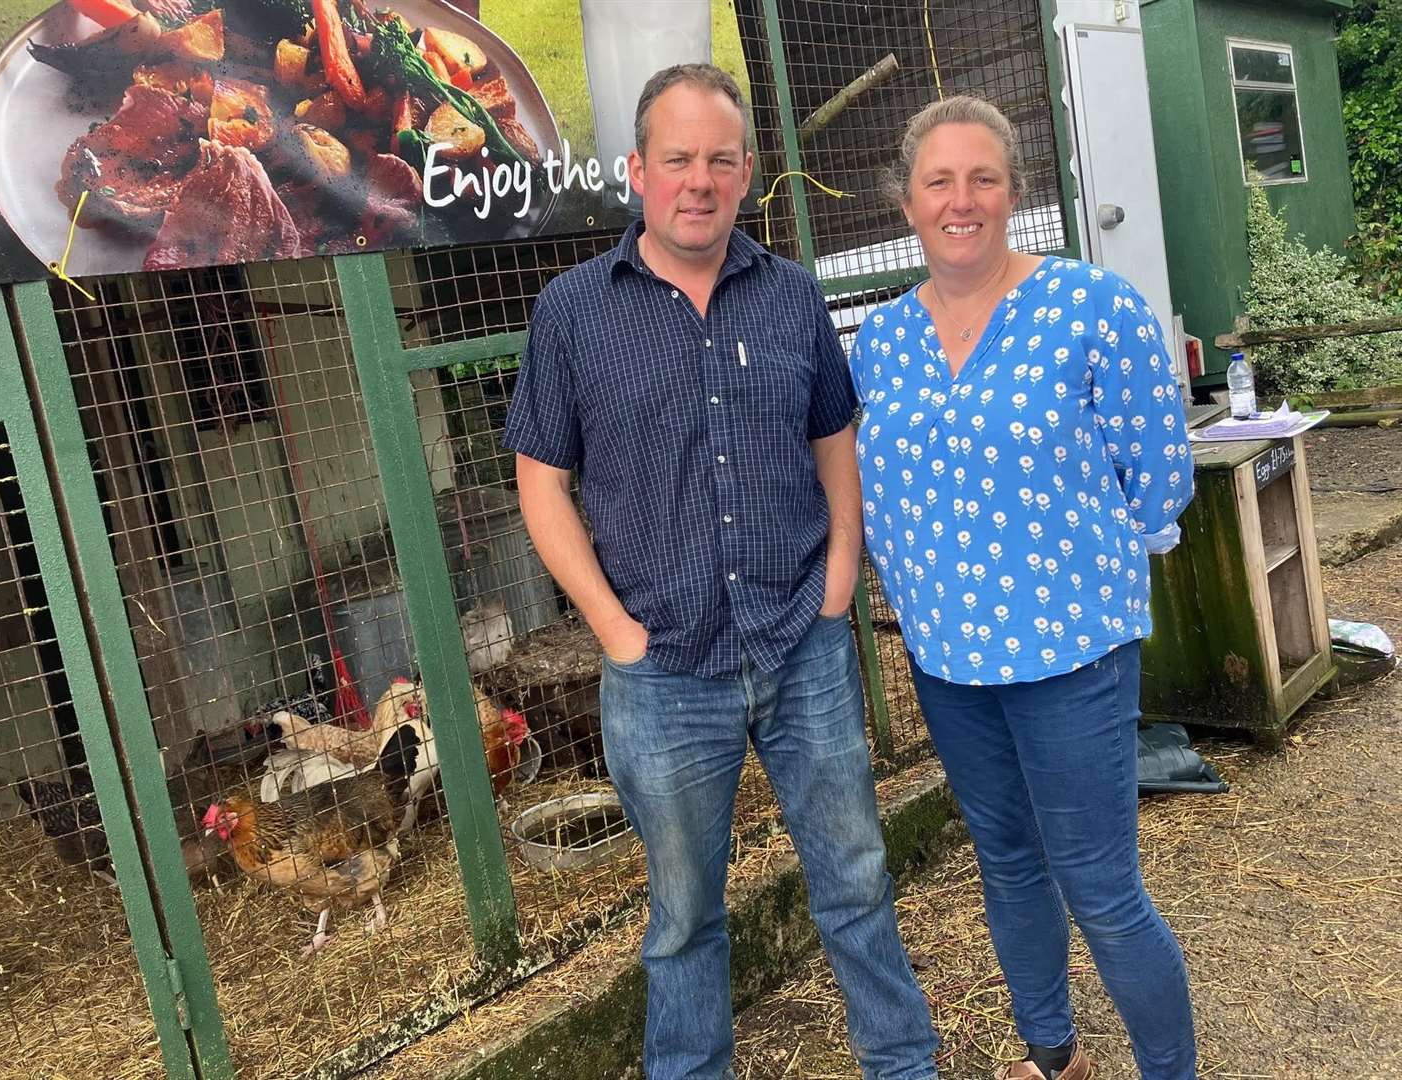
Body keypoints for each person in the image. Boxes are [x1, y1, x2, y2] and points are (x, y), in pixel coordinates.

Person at [505, 64, 939, 1080]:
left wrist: (838, 584)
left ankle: (902, 1063)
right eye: (674, 160)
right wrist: (614, 632)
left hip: (801, 643)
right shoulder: (572, 312)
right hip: (662, 671)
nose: (695, 181)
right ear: (636, 173)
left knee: (855, 879)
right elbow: (539, 483)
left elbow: (836, 439)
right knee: (683, 915)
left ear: (746, 173)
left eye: (717, 160)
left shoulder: (790, 296)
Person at [850, 95, 1198, 1080]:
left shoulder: (1091, 307)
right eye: (938, 182)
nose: (961, 201)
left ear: (1014, 193)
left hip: (1070, 653)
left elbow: (1158, 471)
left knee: (1099, 886)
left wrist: (1071, 569)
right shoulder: (879, 342)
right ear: (907, 202)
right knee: (1007, 866)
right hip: (947, 662)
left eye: (983, 179)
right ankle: (1055, 1061)